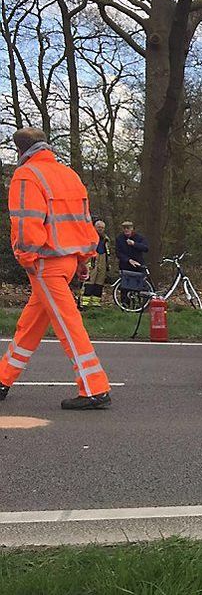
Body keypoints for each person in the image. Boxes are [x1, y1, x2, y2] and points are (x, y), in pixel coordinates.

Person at [0, 127, 111, 409]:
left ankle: (94, 387)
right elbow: (83, 223)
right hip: (70, 260)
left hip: (45, 262)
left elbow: (27, 227)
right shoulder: (69, 175)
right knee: (31, 324)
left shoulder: (26, 175)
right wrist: (83, 260)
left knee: (68, 324)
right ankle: (3, 378)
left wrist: (27, 259)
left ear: (20, 151)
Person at [80, 220, 110, 308]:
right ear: (95, 227)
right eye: (99, 227)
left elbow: (108, 251)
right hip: (92, 259)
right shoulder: (89, 236)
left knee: (99, 281)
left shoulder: (106, 238)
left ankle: (96, 303)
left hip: (102, 258)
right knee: (89, 280)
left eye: (102, 228)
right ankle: (84, 303)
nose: (101, 229)